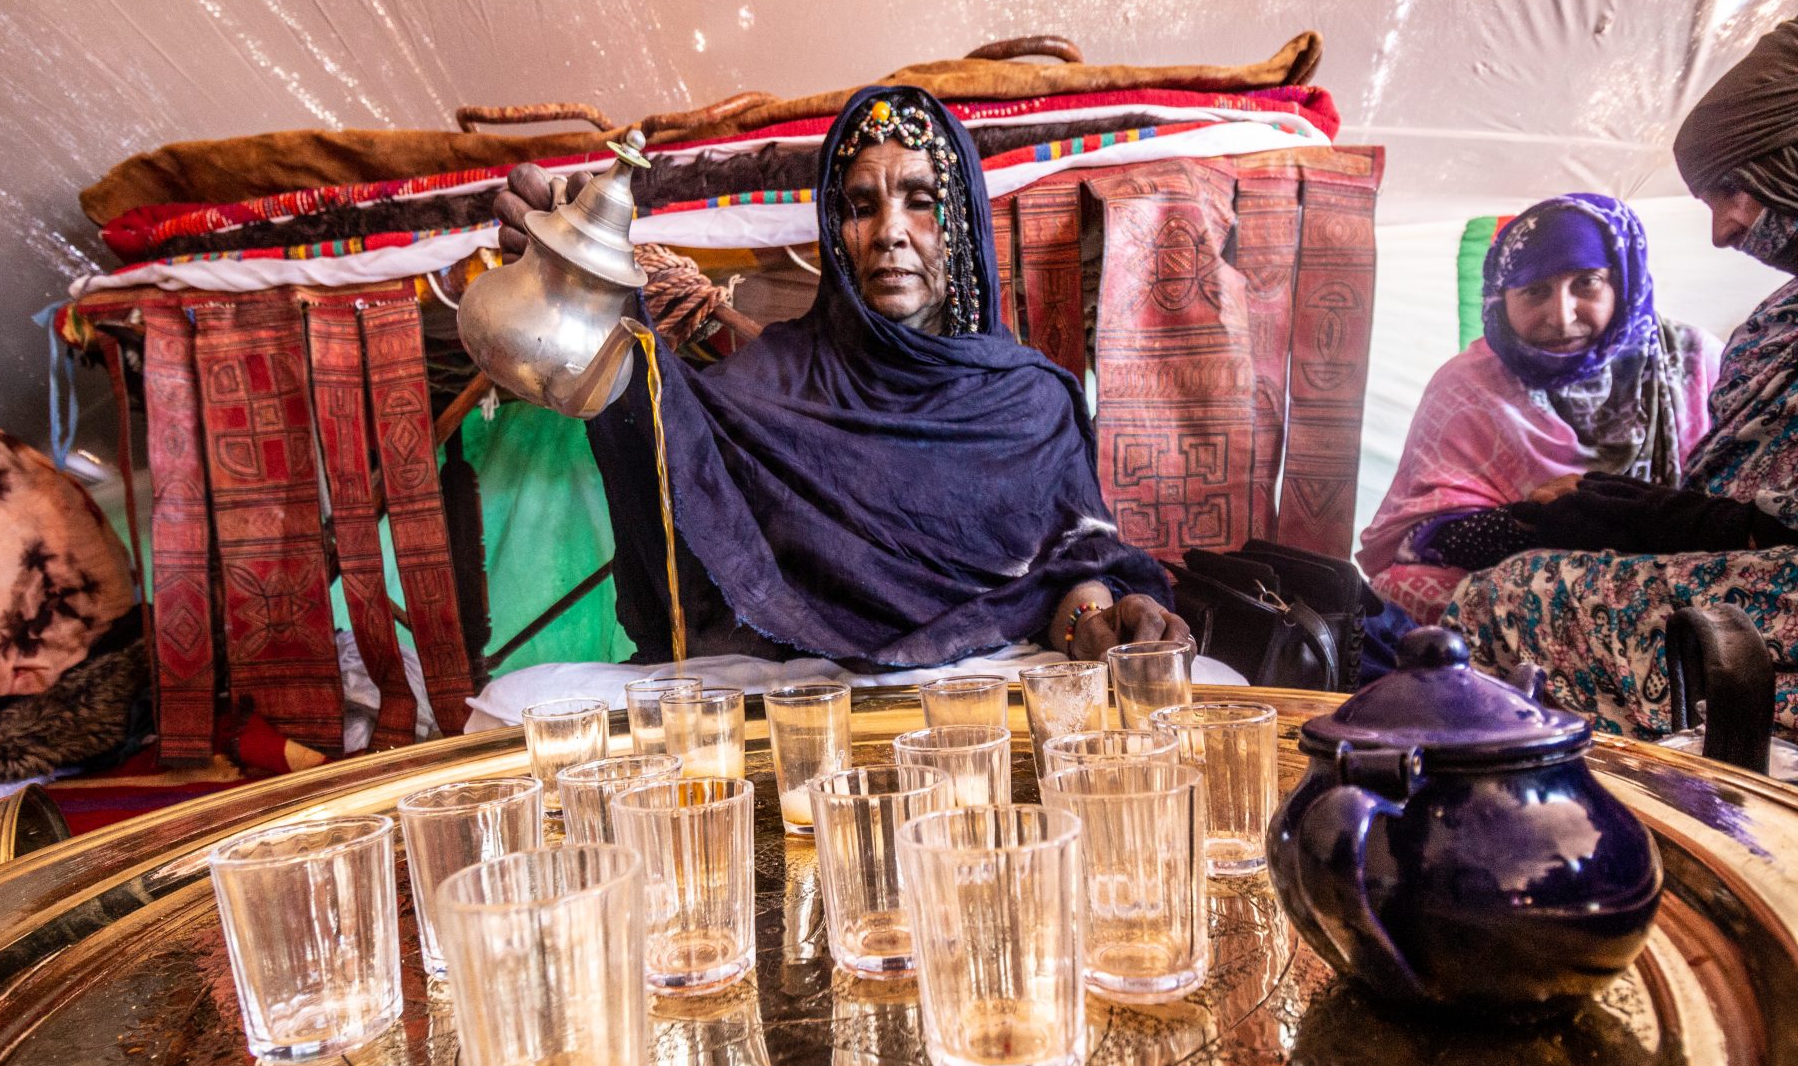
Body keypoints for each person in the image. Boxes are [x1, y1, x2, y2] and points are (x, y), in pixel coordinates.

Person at [493, 86, 1187, 668]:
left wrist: (1097, 624)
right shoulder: (773, 385)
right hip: (807, 731)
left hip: (972, 738)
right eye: (860, 206)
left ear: (963, 226)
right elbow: (675, 457)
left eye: (920, 199)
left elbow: (1066, 572)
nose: (888, 230)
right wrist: (599, 309)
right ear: (836, 230)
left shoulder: (1033, 406)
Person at [1436, 17, 1798, 739]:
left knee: (1503, 597)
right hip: (1735, 550)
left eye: (1730, 189)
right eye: (1533, 292)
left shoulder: (1684, 356)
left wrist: (1610, 509)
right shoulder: (1468, 383)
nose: (1723, 231)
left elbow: (1753, 525)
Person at [1357, 194, 1720, 625]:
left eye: (1586, 283)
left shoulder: (1694, 362)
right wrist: (1536, 522)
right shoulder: (1468, 386)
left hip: (1679, 574)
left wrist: (1629, 517)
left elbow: (1736, 507)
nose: (1561, 316)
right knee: (1407, 590)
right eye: (1535, 291)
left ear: (1624, 281)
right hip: (1528, 586)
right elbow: (1419, 540)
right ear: (1500, 298)